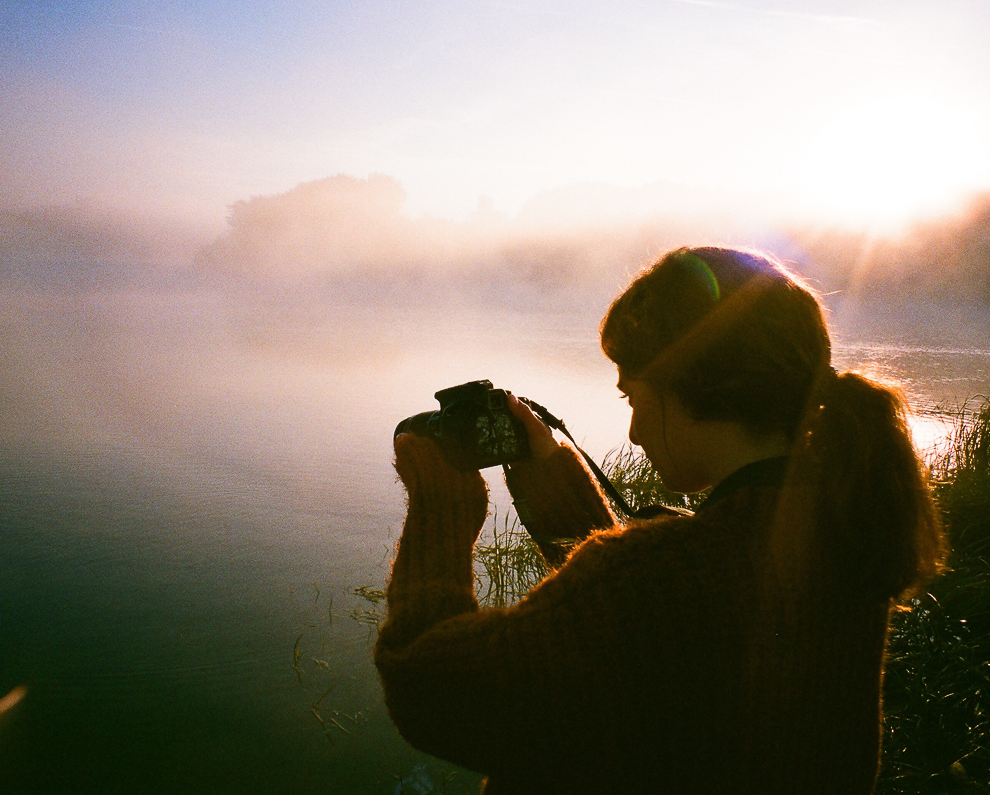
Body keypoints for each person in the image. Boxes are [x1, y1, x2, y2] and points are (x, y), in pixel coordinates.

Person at [375, 247, 947, 794]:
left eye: (632, 397)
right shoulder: (842, 529)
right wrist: (550, 478)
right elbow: (658, 636)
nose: (634, 432)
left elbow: (430, 692)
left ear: (687, 383)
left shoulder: (653, 578)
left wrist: (440, 511)